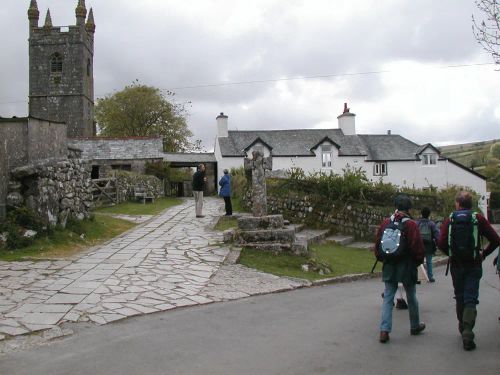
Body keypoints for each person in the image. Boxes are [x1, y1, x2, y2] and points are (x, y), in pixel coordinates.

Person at [437, 191, 500, 351]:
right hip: (474, 263)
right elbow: (495, 239)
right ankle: (468, 331)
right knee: (470, 297)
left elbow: (441, 242)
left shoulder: (450, 219)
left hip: (456, 264)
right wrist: (483, 253)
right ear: (470, 204)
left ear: (458, 203)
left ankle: (462, 325)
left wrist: (451, 253)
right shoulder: (478, 218)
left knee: (459, 295)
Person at [375, 194, 426, 343]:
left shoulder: (386, 222)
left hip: (389, 264)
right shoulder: (411, 224)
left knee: (388, 297)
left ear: (395, 207)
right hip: (407, 265)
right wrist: (416, 262)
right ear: (408, 208)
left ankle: (384, 330)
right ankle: (414, 325)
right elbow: (417, 247)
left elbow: (378, 244)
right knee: (411, 296)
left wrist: (383, 259)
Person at [416, 207, 440, 283]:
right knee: (429, 261)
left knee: (420, 261)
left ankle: (418, 276)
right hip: (429, 245)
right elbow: (437, 234)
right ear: (429, 214)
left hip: (419, 244)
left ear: (421, 214)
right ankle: (430, 277)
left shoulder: (417, 223)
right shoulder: (431, 224)